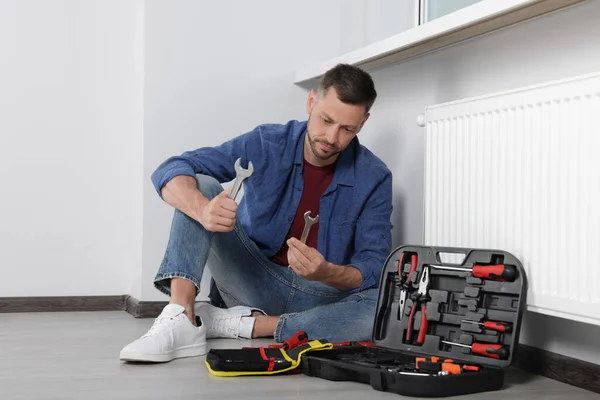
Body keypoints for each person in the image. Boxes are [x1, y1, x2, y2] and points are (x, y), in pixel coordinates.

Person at [119, 63, 393, 363]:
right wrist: (203, 210)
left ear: (363, 123)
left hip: (317, 295)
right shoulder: (266, 143)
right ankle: (181, 317)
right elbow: (172, 168)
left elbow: (375, 265)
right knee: (202, 185)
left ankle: (241, 324)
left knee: (385, 311)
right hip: (251, 278)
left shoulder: (375, 176)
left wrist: (328, 272)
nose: (331, 137)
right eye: (325, 120)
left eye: (347, 129)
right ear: (311, 101)